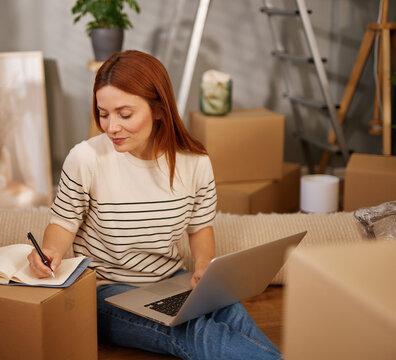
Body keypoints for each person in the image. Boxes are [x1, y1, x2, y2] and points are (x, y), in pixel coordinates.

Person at [28, 50, 282, 360]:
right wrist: (51, 251)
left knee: (232, 310)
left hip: (171, 281)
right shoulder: (86, 158)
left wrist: (204, 265)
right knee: (193, 332)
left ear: (159, 110)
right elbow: (63, 223)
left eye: (124, 114)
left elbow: (200, 226)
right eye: (103, 113)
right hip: (105, 293)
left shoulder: (195, 162)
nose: (111, 127)